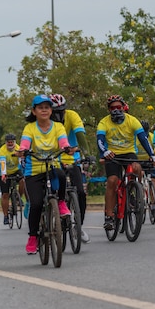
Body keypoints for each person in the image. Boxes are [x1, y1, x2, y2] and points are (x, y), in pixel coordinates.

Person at [17, 95, 74, 255]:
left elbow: (63, 141)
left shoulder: (57, 127)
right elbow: (25, 143)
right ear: (34, 111)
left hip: (51, 167)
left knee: (61, 175)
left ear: (51, 110)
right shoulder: (30, 128)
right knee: (35, 204)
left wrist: (67, 148)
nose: (44, 110)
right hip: (33, 172)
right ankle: (33, 237)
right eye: (40, 107)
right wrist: (23, 150)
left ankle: (61, 202)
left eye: (47, 107)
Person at [97, 95, 155, 231]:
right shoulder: (104, 122)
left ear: (123, 107)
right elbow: (100, 140)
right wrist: (105, 152)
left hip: (128, 152)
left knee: (137, 168)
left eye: (118, 107)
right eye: (112, 108)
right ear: (109, 109)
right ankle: (109, 216)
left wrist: (152, 155)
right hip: (112, 154)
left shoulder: (132, 120)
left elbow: (143, 139)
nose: (116, 110)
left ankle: (132, 191)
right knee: (112, 180)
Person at [49, 93, 92, 243]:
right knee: (51, 192)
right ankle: (50, 218)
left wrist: (87, 153)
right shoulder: (46, 122)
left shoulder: (73, 116)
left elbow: (80, 135)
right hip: (53, 160)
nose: (59, 115)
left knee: (80, 192)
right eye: (55, 112)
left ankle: (78, 227)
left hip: (72, 158)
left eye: (62, 111)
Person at [0, 133, 26, 226]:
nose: (10, 144)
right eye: (8, 142)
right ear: (6, 143)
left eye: (12, 142)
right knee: (5, 194)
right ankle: (5, 216)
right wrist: (3, 174)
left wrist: (24, 171)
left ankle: (19, 197)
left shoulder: (18, 148)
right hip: (4, 171)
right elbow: (3, 163)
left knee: (23, 180)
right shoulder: (2, 150)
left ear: (15, 142)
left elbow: (21, 161)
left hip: (15, 170)